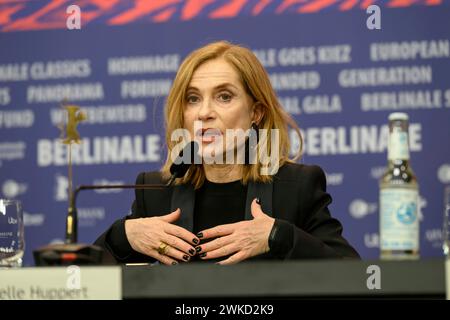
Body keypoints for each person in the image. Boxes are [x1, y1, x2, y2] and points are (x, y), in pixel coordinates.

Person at [94, 41, 360, 265]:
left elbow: (352, 275)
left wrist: (278, 235)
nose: (204, 113)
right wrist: (123, 236)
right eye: (193, 98)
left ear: (256, 112)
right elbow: (82, 281)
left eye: (224, 96)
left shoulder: (296, 187)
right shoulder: (157, 191)